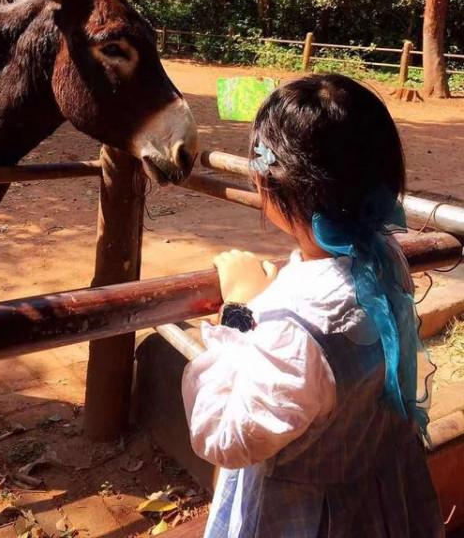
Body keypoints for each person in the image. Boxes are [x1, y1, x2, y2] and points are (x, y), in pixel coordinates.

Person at [182, 74, 444, 538]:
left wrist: (240, 312)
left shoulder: (293, 321)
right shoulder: (388, 261)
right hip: (384, 501)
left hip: (307, 520)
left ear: (272, 186)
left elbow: (224, 436)